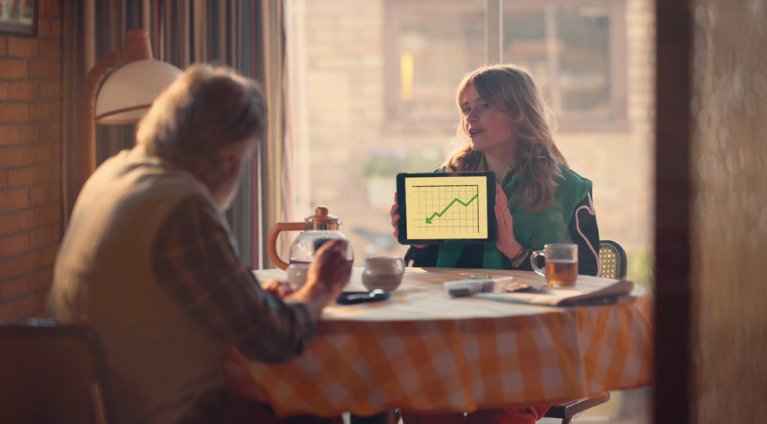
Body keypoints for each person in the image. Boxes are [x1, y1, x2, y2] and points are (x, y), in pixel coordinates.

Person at [48, 64, 351, 424]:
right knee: (316, 411)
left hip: (83, 405)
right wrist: (320, 289)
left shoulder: (110, 175)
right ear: (228, 160)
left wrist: (251, 294)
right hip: (159, 413)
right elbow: (270, 339)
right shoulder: (183, 208)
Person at [389, 64, 600, 423]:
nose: (471, 117)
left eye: (484, 105)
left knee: (497, 417)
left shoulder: (569, 189)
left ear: (518, 112)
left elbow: (589, 282)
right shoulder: (445, 180)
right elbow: (418, 270)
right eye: (466, 108)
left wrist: (516, 252)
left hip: (532, 345)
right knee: (419, 402)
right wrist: (420, 244)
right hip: (451, 342)